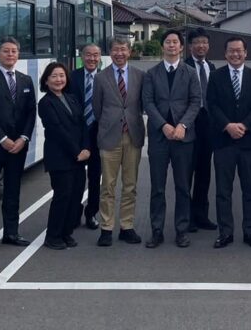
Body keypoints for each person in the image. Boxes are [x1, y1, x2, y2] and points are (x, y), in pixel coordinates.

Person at [0, 37, 37, 252]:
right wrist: (2, 139)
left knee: (13, 192)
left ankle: (12, 232)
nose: (10, 55)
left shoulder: (26, 81)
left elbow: (31, 112)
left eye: (13, 51)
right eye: (5, 51)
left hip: (18, 147)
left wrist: (24, 138)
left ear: (18, 55)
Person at [142, 29, 201, 248]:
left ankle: (181, 230)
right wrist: (164, 125)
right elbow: (148, 102)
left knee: (183, 186)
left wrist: (182, 125)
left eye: (175, 42)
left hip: (183, 137)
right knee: (157, 187)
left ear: (181, 47)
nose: (171, 45)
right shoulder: (152, 73)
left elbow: (196, 102)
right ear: (162, 46)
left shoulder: (190, 72)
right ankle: (156, 230)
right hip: (159, 137)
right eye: (168, 42)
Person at [207, 36, 251, 249]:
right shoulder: (215, 77)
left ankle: (250, 232)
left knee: (250, 190)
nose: (235, 54)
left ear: (245, 52)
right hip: (223, 141)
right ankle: (226, 232)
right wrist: (228, 126)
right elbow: (211, 104)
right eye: (231, 51)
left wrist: (244, 125)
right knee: (223, 190)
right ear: (225, 54)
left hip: (248, 142)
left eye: (239, 50)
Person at [92, 37, 146, 246]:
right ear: (110, 53)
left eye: (123, 50)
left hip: (133, 135)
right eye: (115, 50)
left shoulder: (140, 76)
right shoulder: (100, 78)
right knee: (108, 185)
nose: (119, 54)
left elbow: (142, 104)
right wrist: (109, 123)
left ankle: (127, 226)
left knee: (130, 185)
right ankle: (106, 228)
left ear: (129, 52)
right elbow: (97, 108)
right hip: (109, 136)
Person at [38, 61, 90, 250]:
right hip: (60, 158)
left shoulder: (72, 98)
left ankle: (66, 232)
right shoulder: (45, 103)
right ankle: (53, 236)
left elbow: (83, 124)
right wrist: (77, 151)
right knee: (62, 196)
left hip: (79, 156)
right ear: (46, 80)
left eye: (61, 76)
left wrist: (86, 148)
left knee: (76, 196)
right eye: (54, 76)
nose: (59, 79)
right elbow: (57, 130)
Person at [185, 27, 217, 232]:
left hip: (208, 126)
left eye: (204, 42)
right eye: (197, 42)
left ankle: (201, 215)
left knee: (204, 173)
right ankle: (186, 217)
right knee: (186, 173)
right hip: (188, 125)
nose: (201, 46)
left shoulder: (211, 67)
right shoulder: (182, 66)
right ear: (189, 47)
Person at [69, 43, 102, 230]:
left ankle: (91, 213)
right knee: (76, 178)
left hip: (98, 136)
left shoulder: (105, 78)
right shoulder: (71, 78)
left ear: (100, 57)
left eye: (95, 55)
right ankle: (74, 213)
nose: (92, 59)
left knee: (95, 178)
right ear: (82, 56)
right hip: (77, 136)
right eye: (88, 55)